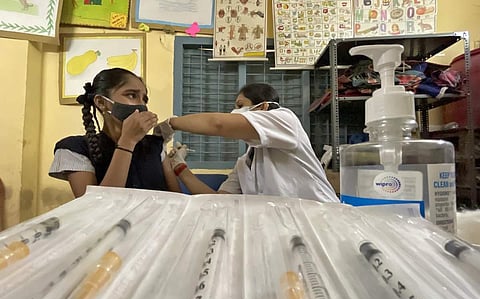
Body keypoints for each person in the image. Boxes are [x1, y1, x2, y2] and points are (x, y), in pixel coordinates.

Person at [158, 83, 339, 202]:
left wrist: (171, 123)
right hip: (289, 228)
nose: (234, 112)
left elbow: (218, 124)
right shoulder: (245, 163)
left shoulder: (284, 119)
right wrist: (180, 167)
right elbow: (219, 201)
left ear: (264, 107)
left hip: (322, 219)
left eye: (240, 105)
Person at [49, 68, 181, 197]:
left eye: (144, 99)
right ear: (101, 102)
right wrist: (127, 141)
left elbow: (177, 200)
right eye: (132, 95)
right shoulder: (74, 149)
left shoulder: (155, 146)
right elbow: (94, 208)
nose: (141, 105)